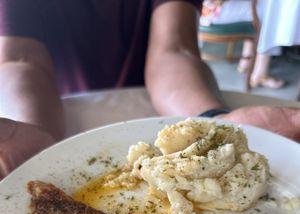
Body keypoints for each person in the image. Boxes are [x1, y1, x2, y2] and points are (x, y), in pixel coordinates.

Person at [0, 0, 299, 179]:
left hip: (163, 106)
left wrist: (214, 122)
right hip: (55, 110)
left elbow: (175, 49)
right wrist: (35, 149)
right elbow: (20, 59)